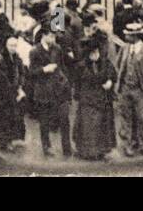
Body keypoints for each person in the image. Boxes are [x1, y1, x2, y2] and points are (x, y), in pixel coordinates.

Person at [113, 22, 143, 159]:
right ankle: (127, 145)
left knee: (141, 119)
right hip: (125, 88)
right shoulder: (125, 48)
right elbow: (117, 64)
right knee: (125, 118)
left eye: (128, 35)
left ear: (135, 36)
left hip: (140, 90)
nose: (126, 36)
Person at [29, 28, 73, 157]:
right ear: (43, 36)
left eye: (54, 37)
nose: (53, 39)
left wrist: (66, 83)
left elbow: (62, 67)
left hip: (59, 89)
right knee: (44, 121)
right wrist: (44, 69)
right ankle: (46, 147)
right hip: (43, 92)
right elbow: (31, 73)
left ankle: (67, 148)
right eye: (51, 36)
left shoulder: (57, 48)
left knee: (64, 119)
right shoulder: (34, 51)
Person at [72, 36, 116, 160]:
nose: (96, 55)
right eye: (93, 53)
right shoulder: (81, 66)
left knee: (102, 125)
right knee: (88, 126)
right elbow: (79, 83)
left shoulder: (105, 62)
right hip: (88, 100)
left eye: (97, 52)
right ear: (88, 54)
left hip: (102, 99)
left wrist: (110, 82)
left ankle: (101, 151)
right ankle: (87, 152)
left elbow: (113, 74)